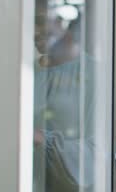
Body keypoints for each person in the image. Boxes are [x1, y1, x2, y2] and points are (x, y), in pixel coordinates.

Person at [33, 12, 95, 192]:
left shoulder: (96, 75)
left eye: (46, 33)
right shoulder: (31, 74)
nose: (39, 39)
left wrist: (42, 139)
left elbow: (100, 150)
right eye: (36, 34)